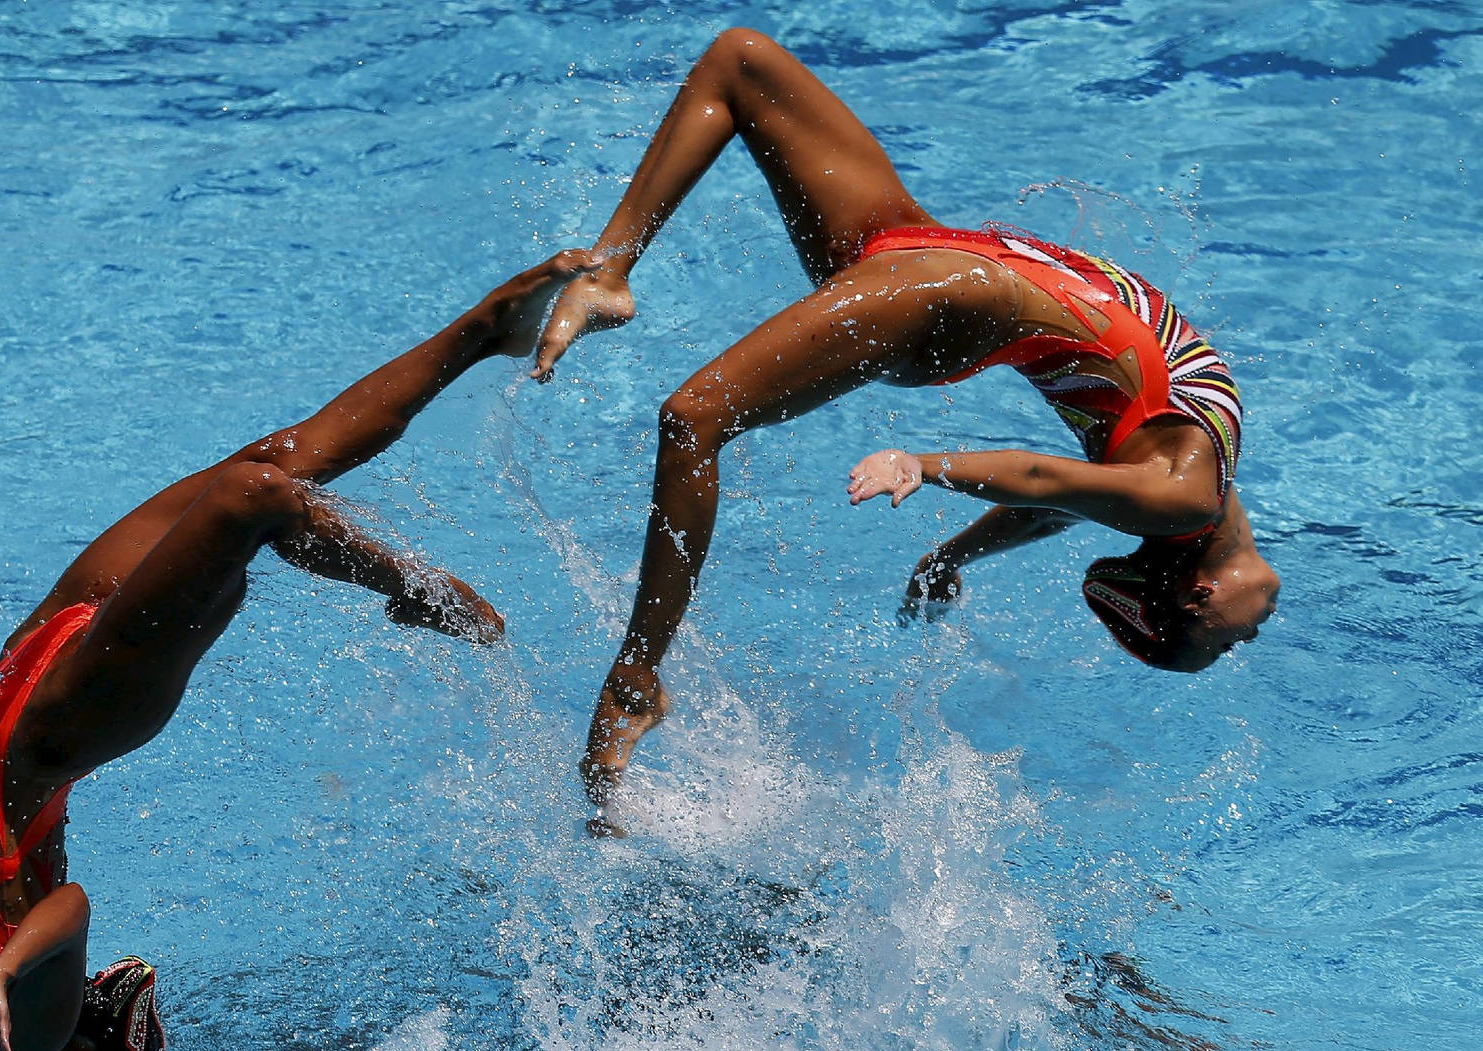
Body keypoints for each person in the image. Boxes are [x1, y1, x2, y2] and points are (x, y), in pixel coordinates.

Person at [0, 252, 595, 1051]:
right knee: (252, 499)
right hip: (66, 719)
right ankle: (432, 596)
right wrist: (11, 973)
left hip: (27, 680)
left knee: (274, 461)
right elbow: (72, 904)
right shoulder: (25, 1022)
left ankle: (486, 331)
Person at [528, 29, 1278, 812]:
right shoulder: (1196, 492)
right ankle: (611, 265)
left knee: (693, 419)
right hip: (915, 247)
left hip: (931, 304)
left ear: (1200, 594)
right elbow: (1056, 498)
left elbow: (1043, 478)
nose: (1246, 640)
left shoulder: (1183, 493)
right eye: (1233, 645)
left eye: (1227, 642)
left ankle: (638, 675)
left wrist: (924, 465)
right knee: (740, 62)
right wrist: (952, 554)